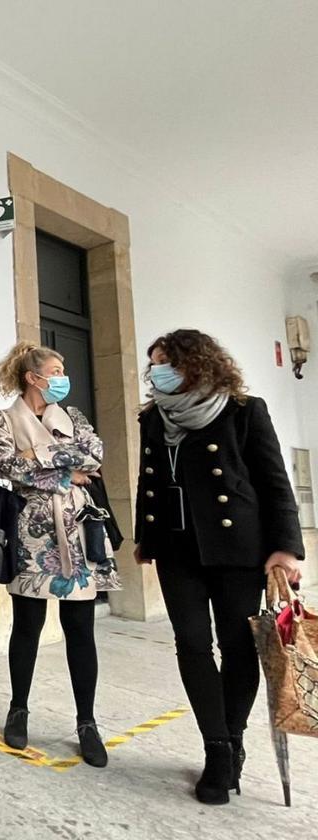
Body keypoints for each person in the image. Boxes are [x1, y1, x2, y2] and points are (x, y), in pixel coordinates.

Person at [135, 329, 304, 804]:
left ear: (196, 362)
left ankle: (234, 739)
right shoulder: (154, 417)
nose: (157, 371)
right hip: (175, 549)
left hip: (237, 547)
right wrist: (145, 536)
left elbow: (274, 483)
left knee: (237, 646)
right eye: (154, 364)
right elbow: (148, 476)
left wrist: (285, 549)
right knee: (191, 644)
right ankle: (216, 749)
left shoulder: (244, 411)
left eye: (165, 361)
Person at [0, 342, 120, 769]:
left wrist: (40, 459)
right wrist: (67, 471)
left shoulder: (75, 416)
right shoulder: (1, 418)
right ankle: (18, 708)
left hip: (79, 531)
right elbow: (7, 465)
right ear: (33, 377)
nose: (63, 376)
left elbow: (95, 455)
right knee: (27, 625)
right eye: (56, 369)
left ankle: (87, 722)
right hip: (31, 534)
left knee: (81, 627)